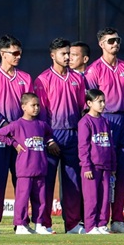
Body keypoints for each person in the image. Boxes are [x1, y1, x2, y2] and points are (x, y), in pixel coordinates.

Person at [84, 27, 124, 234]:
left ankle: (118, 220)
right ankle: (98, 220)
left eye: (117, 40)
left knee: (122, 173)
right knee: (104, 174)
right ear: (101, 44)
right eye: (111, 41)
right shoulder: (93, 70)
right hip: (104, 121)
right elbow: (89, 102)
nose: (115, 44)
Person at [0, 34, 33, 234]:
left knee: (23, 179)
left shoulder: (25, 78)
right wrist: (6, 126)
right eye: (15, 53)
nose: (19, 56)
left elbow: (30, 105)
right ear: (3, 54)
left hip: (22, 135)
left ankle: (22, 223)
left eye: (20, 53)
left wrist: (21, 128)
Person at [33, 38, 87, 233]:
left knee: (73, 183)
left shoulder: (78, 79)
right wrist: (48, 139)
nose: (67, 57)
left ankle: (72, 224)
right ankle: (43, 223)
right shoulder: (42, 79)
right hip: (51, 135)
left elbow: (82, 108)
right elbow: (40, 113)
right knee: (45, 183)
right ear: (52, 55)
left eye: (69, 53)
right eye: (63, 54)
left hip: (73, 134)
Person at [0, 93, 53, 234]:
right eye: (33, 105)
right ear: (23, 107)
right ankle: (20, 224)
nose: (36, 108)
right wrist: (14, 143)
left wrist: (49, 142)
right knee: (22, 198)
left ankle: (39, 224)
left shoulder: (42, 125)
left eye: (38, 105)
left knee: (40, 199)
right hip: (25, 169)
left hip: (40, 168)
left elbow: (49, 134)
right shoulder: (17, 125)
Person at [78, 89, 114, 235]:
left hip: (106, 166)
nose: (103, 104)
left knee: (105, 197)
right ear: (89, 103)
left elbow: (110, 144)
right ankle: (91, 226)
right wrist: (86, 166)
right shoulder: (85, 122)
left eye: (104, 101)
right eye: (99, 101)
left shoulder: (105, 121)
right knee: (91, 198)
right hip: (92, 167)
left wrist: (113, 165)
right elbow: (83, 146)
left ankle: (102, 224)